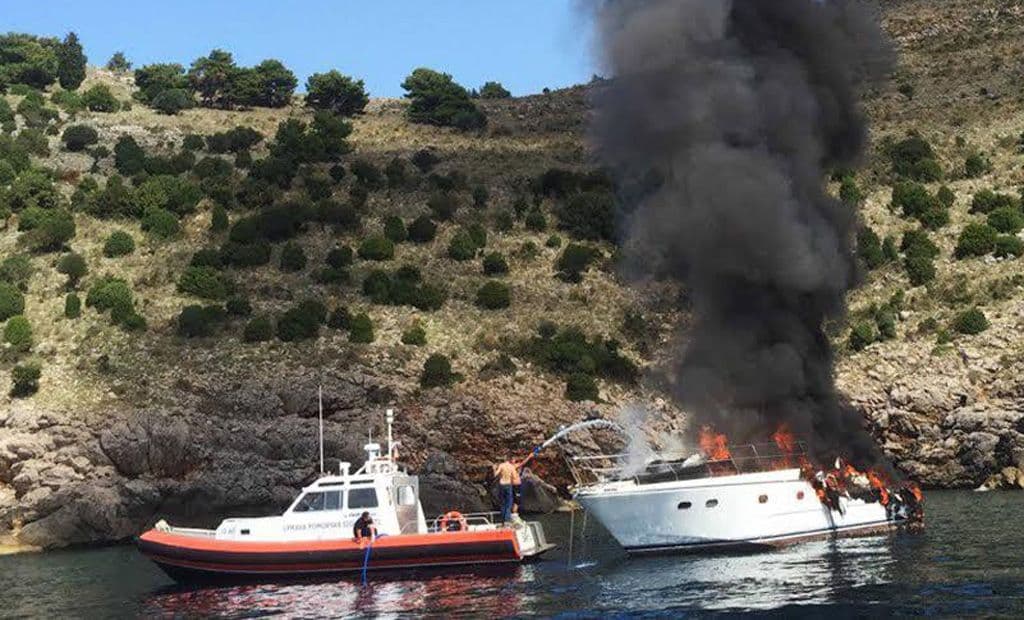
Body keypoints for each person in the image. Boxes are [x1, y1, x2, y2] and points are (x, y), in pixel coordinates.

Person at [493, 457, 517, 523]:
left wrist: (494, 469)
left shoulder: (501, 465)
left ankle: (503, 519)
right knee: (509, 503)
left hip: (501, 484)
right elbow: (514, 477)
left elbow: (495, 475)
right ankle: (507, 520)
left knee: (503, 502)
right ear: (509, 460)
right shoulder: (511, 467)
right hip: (508, 485)